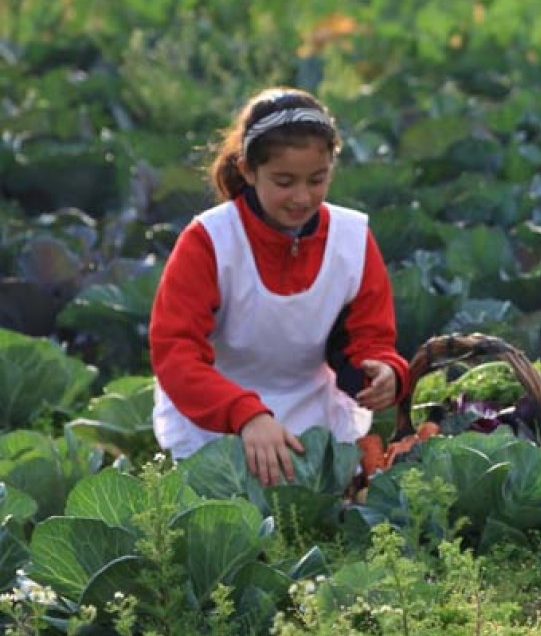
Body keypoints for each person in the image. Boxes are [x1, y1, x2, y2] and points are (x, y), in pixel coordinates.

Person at [150, 88, 408, 486]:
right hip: (214, 427)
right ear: (248, 170)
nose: (302, 197)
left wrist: (384, 372)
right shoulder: (209, 241)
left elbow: (369, 339)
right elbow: (175, 354)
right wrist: (246, 415)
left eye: (317, 180)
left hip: (318, 424)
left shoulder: (352, 238)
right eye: (284, 182)